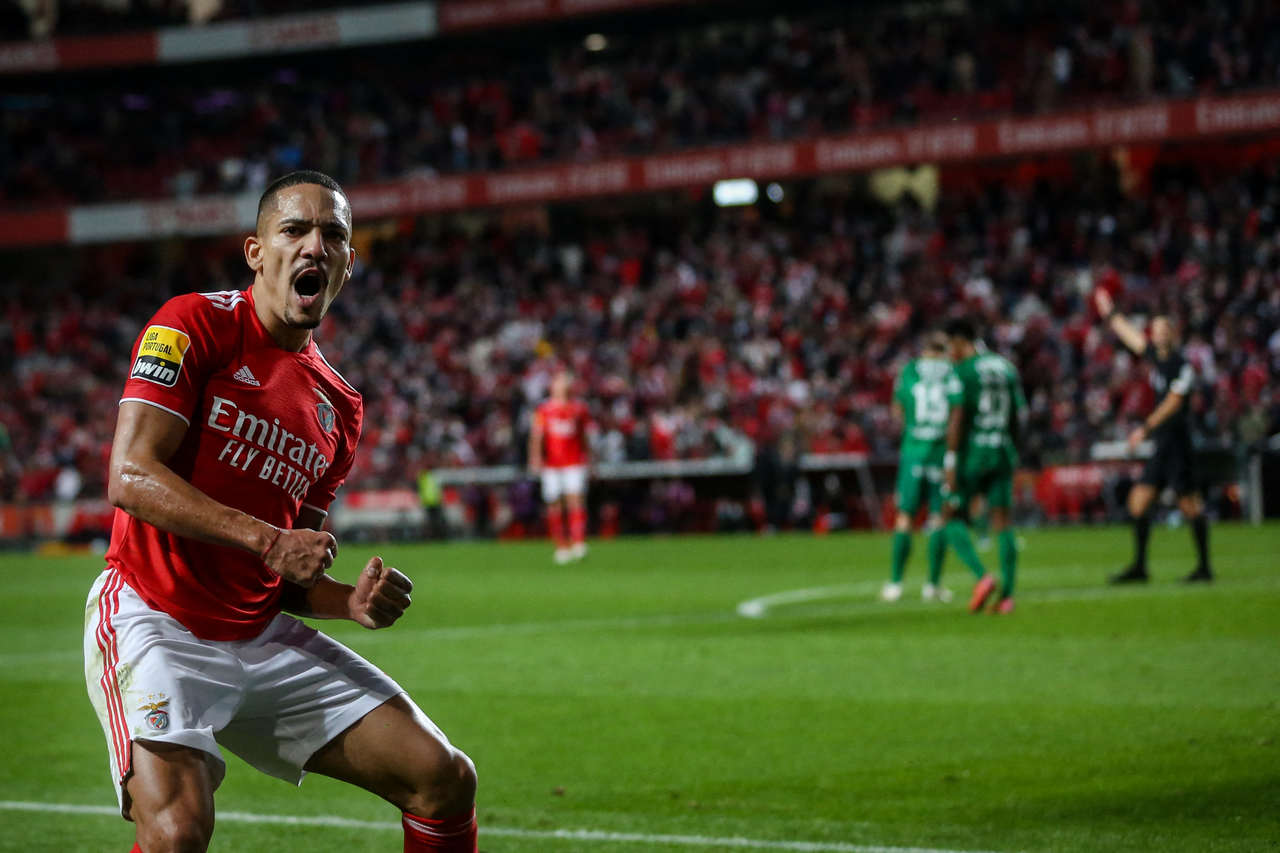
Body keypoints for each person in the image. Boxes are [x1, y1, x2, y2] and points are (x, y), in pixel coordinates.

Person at [83, 171, 478, 853]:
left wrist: (348, 601)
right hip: (153, 617)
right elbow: (128, 473)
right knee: (177, 830)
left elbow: (290, 572)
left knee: (442, 777)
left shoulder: (340, 408)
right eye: (294, 229)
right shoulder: (195, 323)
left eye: (334, 235)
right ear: (256, 251)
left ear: (349, 265)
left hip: (257, 635)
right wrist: (268, 539)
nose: (314, 246)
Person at [1094, 289, 1213, 584]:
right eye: (1155, 330)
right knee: (1138, 502)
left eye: (1163, 331)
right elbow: (1128, 335)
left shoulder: (1181, 365)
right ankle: (1140, 568)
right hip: (1162, 444)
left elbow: (1174, 402)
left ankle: (1204, 568)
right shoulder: (1156, 357)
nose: (1157, 335)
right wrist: (1109, 311)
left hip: (1177, 442)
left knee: (1189, 505)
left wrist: (1144, 428)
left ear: (1173, 335)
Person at [942, 317, 1028, 614]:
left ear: (960, 341)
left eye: (949, 345)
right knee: (1003, 522)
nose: (947, 352)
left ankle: (983, 577)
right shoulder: (1006, 367)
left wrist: (951, 460)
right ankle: (1007, 598)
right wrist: (1013, 449)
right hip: (1002, 451)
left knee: (949, 516)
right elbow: (1019, 415)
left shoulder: (963, 371)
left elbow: (957, 417)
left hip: (973, 455)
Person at [882, 331, 954, 604]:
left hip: (913, 451)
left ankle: (895, 584)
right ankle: (932, 585)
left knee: (905, 518)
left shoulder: (909, 370)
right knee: (938, 518)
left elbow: (897, 411)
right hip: (941, 453)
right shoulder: (951, 372)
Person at [528, 370, 591, 564]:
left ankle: (578, 542)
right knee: (554, 503)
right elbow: (537, 436)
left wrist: (588, 456)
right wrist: (535, 457)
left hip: (574, 461)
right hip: (552, 464)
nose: (562, 385)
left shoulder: (579, 409)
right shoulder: (544, 410)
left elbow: (584, 436)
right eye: (559, 382)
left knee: (575, 499)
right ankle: (561, 545)